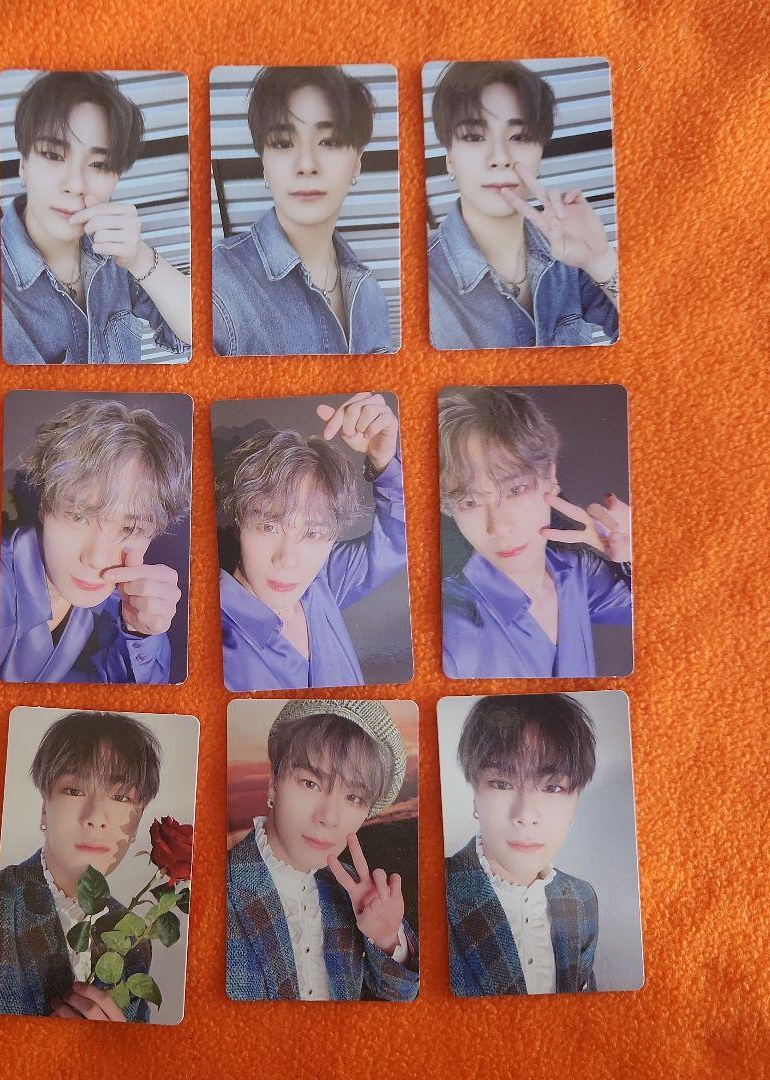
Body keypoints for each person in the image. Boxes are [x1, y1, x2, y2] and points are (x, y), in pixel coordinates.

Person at [226, 699, 418, 1001]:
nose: (329, 817)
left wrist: (387, 940)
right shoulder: (216, 884)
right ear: (274, 783)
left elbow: (401, 998)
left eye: (353, 797)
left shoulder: (354, 890)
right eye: (310, 783)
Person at [217, 393, 407, 691]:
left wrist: (383, 461)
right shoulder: (214, 639)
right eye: (268, 526)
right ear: (239, 521)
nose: (287, 560)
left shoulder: (323, 583)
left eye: (313, 533)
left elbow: (401, 539)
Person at [439, 387, 632, 678]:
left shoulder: (574, 572)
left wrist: (637, 551)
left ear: (550, 477)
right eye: (470, 503)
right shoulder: (450, 631)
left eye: (516, 489)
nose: (498, 526)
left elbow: (668, 612)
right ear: (449, 509)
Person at [1, 70, 191, 364]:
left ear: (116, 178)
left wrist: (140, 258)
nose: (76, 184)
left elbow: (200, 332)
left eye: (99, 164)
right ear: (23, 164)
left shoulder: (114, 252)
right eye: (53, 155)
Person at [427, 60, 619, 349]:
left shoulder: (568, 251)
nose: (500, 157)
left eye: (519, 137)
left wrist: (600, 260)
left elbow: (657, 341)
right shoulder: (423, 278)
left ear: (539, 155)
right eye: (474, 136)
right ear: (449, 159)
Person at [0, 399, 190, 683]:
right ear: (44, 504)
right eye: (78, 516)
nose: (97, 559)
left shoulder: (117, 603)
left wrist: (140, 633)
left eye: (130, 528)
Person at [0, 711, 160, 1020]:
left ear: (137, 822)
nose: (95, 817)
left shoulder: (135, 939)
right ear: (45, 808)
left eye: (120, 797)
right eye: (74, 791)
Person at [212, 66, 392, 356]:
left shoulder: (369, 293)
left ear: (358, 161)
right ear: (264, 164)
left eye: (329, 141)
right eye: (283, 143)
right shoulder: (219, 281)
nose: (306, 164)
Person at [446, 694, 598, 996]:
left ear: (575, 802)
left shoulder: (582, 899)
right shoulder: (437, 889)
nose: (526, 815)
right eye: (502, 784)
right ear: (475, 794)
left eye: (552, 787)